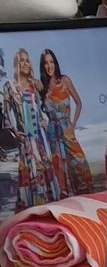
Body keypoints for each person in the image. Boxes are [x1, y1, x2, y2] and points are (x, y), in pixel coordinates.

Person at [37, 49, 94, 196]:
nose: (49, 66)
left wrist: (73, 124)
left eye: (51, 62)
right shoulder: (42, 87)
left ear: (55, 63)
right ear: (42, 66)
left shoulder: (64, 80)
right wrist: (44, 122)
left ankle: (86, 199)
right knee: (59, 170)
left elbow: (79, 103)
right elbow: (34, 107)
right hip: (52, 133)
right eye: (45, 63)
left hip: (66, 128)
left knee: (79, 164)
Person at [3, 50, 49, 210]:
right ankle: (31, 212)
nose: (25, 63)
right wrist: (15, 132)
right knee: (29, 176)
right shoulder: (9, 86)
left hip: (40, 139)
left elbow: (41, 110)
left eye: (27, 60)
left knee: (43, 174)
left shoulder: (34, 85)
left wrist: (44, 120)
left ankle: (44, 211)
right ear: (17, 64)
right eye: (22, 60)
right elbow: (6, 114)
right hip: (26, 141)